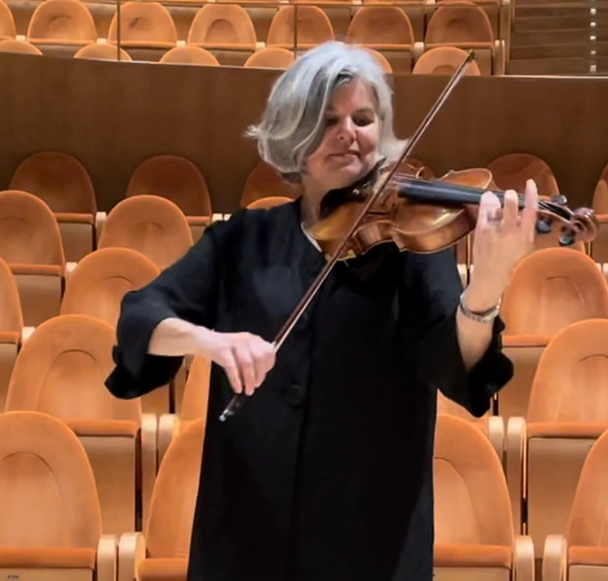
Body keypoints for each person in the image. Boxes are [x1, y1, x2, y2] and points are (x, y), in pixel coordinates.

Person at [105, 41, 536, 581]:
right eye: (328, 119)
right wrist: (207, 342)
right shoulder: (242, 241)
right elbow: (140, 316)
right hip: (246, 534)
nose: (349, 132)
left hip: (370, 539)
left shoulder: (407, 249)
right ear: (293, 133)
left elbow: (454, 366)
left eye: (364, 118)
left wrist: (488, 284)